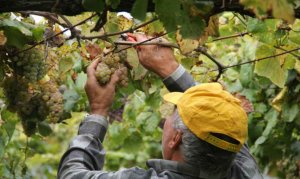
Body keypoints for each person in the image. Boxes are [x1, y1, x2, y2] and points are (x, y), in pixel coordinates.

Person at [58, 34, 263, 179]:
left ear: (176, 138)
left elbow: (71, 175)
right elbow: (225, 125)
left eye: (174, 113)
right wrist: (168, 68)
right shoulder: (245, 172)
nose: (166, 120)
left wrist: (98, 110)